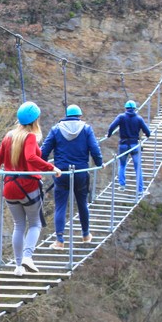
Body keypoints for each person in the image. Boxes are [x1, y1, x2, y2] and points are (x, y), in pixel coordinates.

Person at [0, 101, 62, 275]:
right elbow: (30, 157)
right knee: (35, 224)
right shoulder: (30, 137)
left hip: (9, 187)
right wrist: (51, 168)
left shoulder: (8, 136)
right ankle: (27, 258)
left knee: (18, 225)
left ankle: (17, 267)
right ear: (35, 120)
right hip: (28, 187)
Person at [40, 104, 103, 248]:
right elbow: (95, 149)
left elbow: (43, 152)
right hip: (81, 173)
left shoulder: (56, 129)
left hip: (61, 173)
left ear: (66, 115)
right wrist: (100, 163)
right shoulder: (86, 129)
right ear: (79, 115)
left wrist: (44, 167)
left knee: (60, 206)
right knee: (82, 204)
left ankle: (60, 241)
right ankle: (86, 235)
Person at [107, 99, 151, 200]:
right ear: (135, 109)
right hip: (135, 145)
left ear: (126, 108)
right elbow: (147, 132)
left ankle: (122, 185)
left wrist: (109, 135)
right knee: (138, 168)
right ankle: (140, 190)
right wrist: (147, 134)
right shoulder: (139, 119)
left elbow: (111, 127)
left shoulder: (121, 117)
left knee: (122, 165)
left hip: (123, 145)